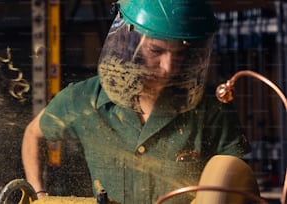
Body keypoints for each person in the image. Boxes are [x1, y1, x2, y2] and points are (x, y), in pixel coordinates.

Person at [22, 0, 252, 203]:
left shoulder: (213, 108)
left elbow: (236, 180)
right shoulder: (84, 100)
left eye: (180, 53)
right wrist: (40, 197)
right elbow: (33, 134)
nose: (169, 67)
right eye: (156, 50)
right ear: (128, 42)